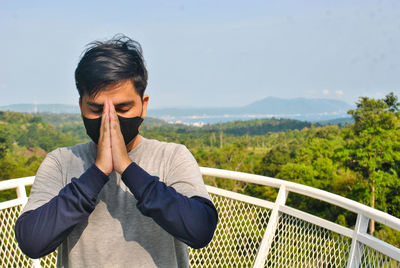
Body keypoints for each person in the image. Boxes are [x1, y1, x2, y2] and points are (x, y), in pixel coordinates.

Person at [14, 34, 218, 268]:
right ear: (81, 107)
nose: (109, 119)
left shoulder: (172, 157)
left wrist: (128, 169)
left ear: (144, 104)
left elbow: (200, 229)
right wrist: (98, 171)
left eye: (122, 108)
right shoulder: (61, 162)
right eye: (97, 109)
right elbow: (32, 241)